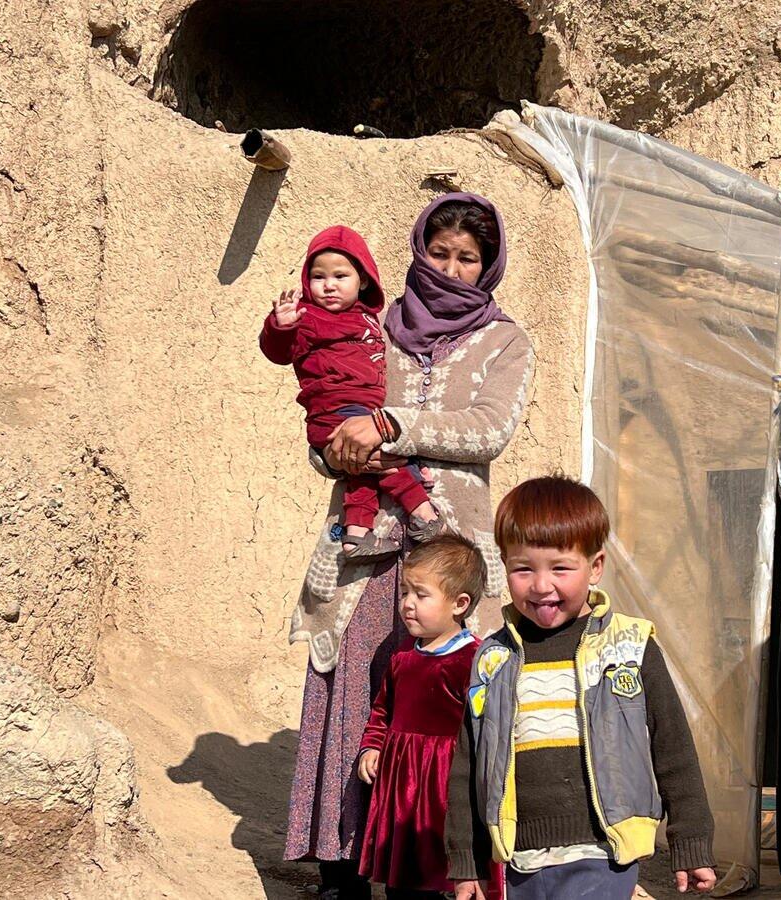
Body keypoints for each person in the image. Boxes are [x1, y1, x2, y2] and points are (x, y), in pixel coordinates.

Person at [285, 194, 535, 900]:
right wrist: (338, 449)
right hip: (365, 548)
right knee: (350, 695)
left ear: (487, 267)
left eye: (467, 259)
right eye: (440, 254)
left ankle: (436, 867)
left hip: (450, 552)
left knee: (442, 711)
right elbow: (326, 414)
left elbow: (489, 429)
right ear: (419, 253)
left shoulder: (505, 341)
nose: (451, 269)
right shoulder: (374, 325)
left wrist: (393, 425)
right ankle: (341, 868)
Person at [445, 475, 720, 899]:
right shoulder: (494, 659)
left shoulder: (629, 648)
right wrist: (467, 860)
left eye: (560, 568)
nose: (541, 585)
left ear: (595, 567)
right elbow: (469, 764)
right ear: (504, 566)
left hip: (604, 851)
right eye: (523, 569)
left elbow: (673, 748)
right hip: (522, 860)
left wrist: (691, 840)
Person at [259, 226, 442, 559]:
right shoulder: (307, 317)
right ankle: (423, 513)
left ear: (364, 280)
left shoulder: (367, 317)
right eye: (318, 276)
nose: (329, 285)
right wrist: (281, 326)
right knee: (387, 457)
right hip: (336, 409)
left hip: (358, 410)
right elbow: (279, 352)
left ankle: (356, 536)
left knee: (363, 470)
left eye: (340, 276)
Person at [356, 534, 485, 898]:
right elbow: (383, 709)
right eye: (404, 593)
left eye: (421, 595)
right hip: (401, 785)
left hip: (446, 786)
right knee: (403, 877)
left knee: (444, 875)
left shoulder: (473, 660)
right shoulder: (403, 655)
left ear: (459, 604)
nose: (407, 604)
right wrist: (372, 747)